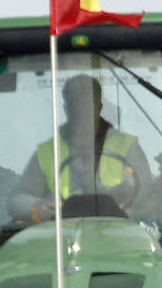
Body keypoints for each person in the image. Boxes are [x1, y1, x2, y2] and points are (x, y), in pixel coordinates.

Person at [15, 74, 153, 221]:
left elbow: (147, 199)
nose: (81, 112)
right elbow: (16, 199)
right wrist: (35, 205)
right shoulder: (47, 151)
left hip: (118, 233)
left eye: (87, 106)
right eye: (75, 105)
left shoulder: (127, 147)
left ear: (99, 108)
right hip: (62, 236)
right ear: (66, 109)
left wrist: (133, 210)